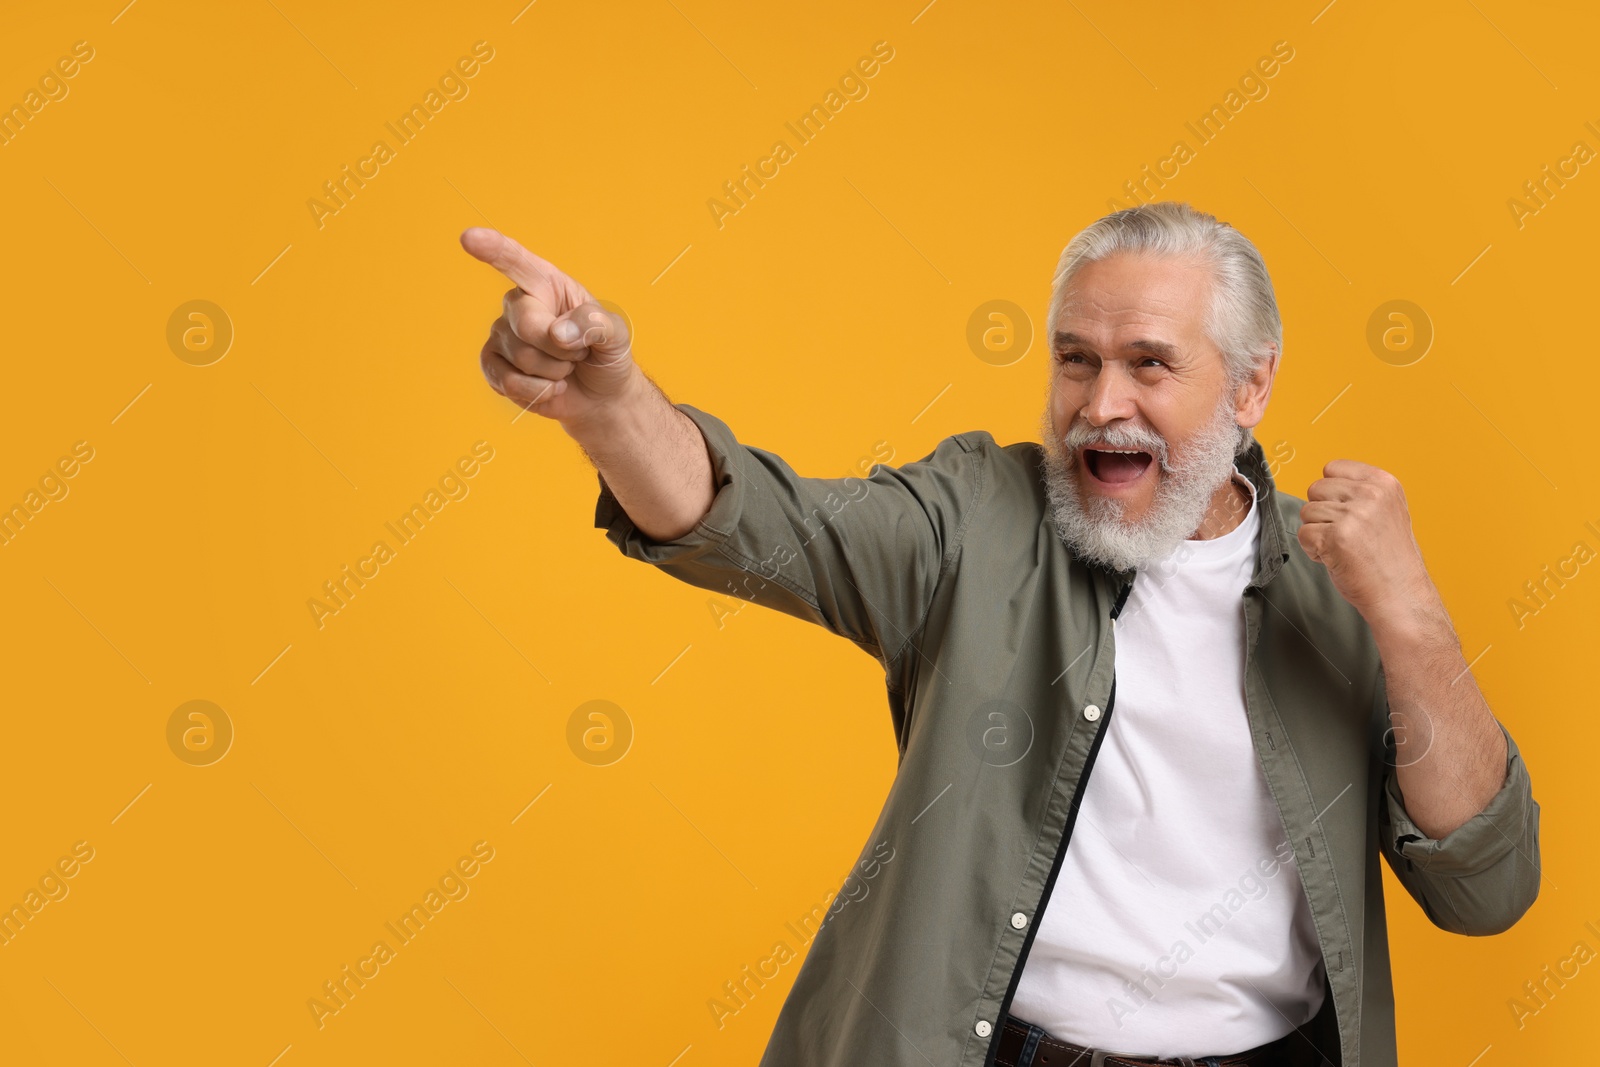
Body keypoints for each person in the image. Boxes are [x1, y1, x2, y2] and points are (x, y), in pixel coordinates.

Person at [459, 201, 1541, 1067]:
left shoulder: (1342, 584)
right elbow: (761, 524)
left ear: (1252, 383)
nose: (1099, 402)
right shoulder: (981, 513)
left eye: (1149, 364)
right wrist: (608, 402)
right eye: (1076, 359)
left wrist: (1409, 616)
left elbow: (1485, 889)